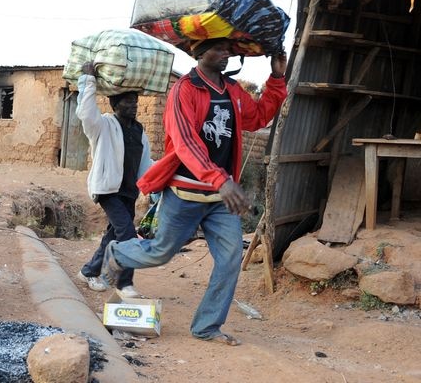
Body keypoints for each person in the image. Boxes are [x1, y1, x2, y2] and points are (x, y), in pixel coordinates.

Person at [100, 38, 288, 346]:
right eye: (218, 48)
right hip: (185, 193)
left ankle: (207, 326)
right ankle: (117, 252)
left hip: (219, 199)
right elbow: (186, 143)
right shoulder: (183, 91)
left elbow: (257, 117)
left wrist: (277, 78)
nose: (225, 54)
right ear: (199, 53)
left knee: (229, 260)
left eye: (229, 48)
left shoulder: (233, 91)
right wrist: (220, 179)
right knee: (161, 252)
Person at [75, 62, 155, 299]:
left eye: (135, 101)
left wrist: (164, 177)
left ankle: (89, 271)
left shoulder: (140, 131)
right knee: (127, 234)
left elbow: (146, 163)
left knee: (112, 235)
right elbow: (86, 113)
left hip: (130, 191)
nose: (133, 105)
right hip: (108, 190)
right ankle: (125, 283)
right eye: (127, 101)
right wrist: (88, 80)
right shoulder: (103, 125)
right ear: (114, 103)